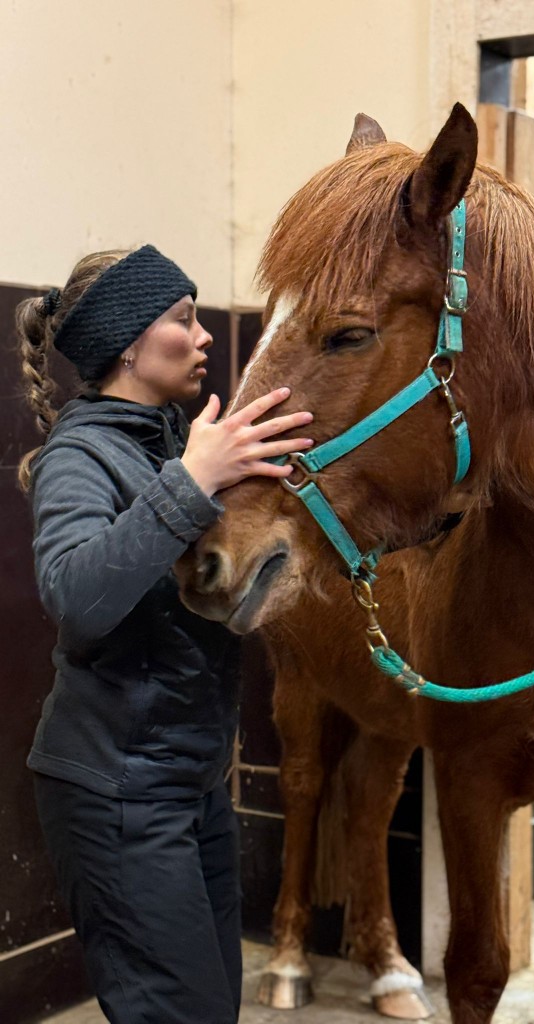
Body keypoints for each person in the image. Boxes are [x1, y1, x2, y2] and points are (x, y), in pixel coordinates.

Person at [16, 244, 313, 1024]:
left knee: (208, 1009)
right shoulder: (80, 456)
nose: (204, 334)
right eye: (182, 320)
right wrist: (191, 481)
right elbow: (78, 599)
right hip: (117, 790)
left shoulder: (168, 444)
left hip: (187, 783)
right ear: (126, 344)